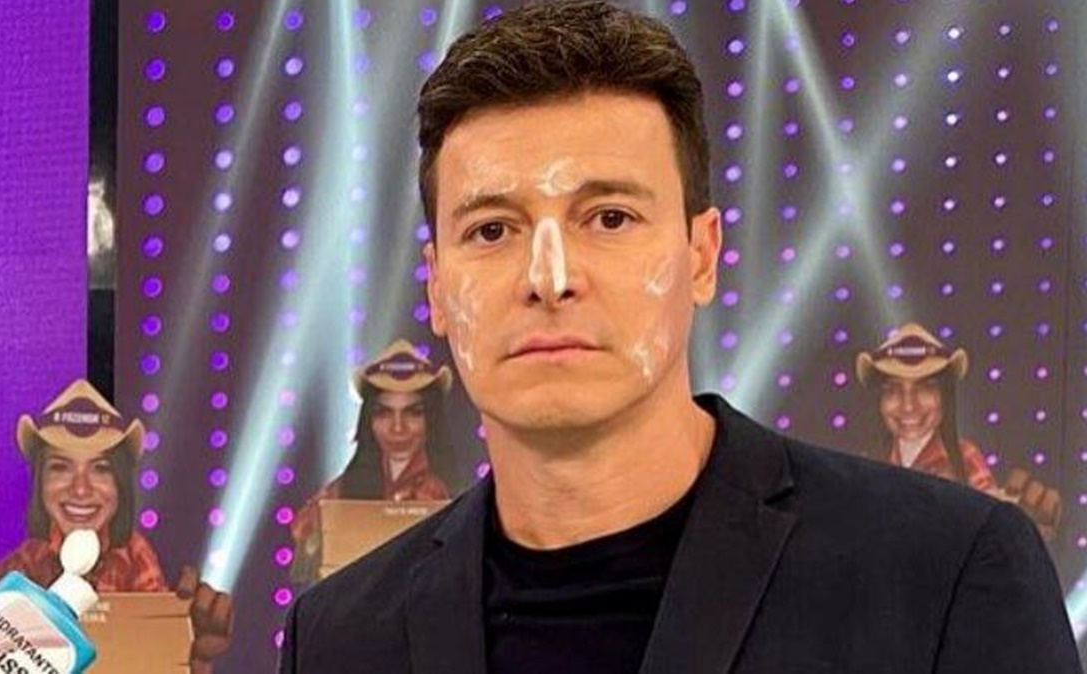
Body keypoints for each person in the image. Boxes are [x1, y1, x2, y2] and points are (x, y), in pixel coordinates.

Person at [279, 2, 1080, 672]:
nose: (549, 277)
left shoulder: (945, 569)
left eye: (609, 218)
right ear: (436, 286)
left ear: (701, 255)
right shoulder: (338, 634)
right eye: (492, 229)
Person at [0, 379, 233, 673]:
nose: (81, 489)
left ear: (120, 484)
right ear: (40, 483)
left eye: (100, 469)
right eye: (60, 467)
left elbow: (156, 658)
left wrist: (191, 652)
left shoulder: (137, 558)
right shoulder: (25, 563)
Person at [857, 322, 1062, 540]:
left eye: (925, 387)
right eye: (892, 390)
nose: (908, 406)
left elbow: (987, 517)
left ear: (945, 395)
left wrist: (1018, 521)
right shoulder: (866, 466)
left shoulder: (965, 458)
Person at [290, 339, 457, 582]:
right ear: (368, 421)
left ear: (431, 421)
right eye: (384, 413)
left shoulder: (447, 493)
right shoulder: (340, 490)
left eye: (413, 413)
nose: (397, 428)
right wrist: (313, 534)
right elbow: (304, 542)